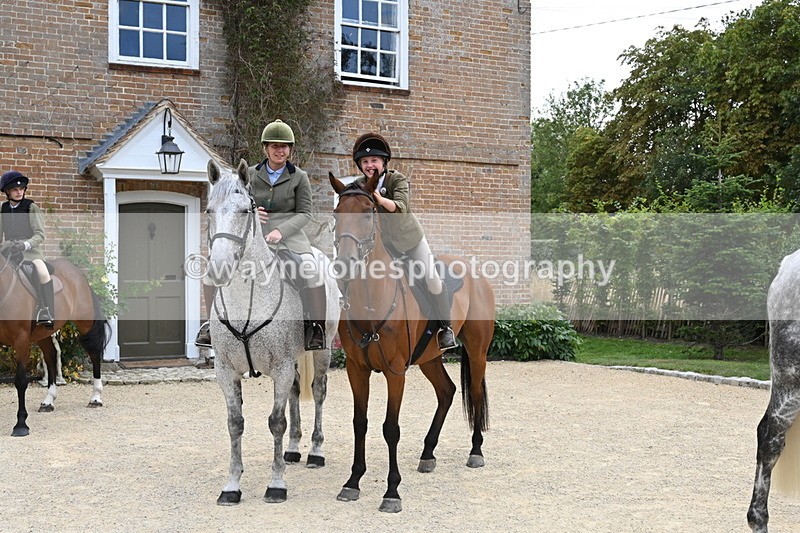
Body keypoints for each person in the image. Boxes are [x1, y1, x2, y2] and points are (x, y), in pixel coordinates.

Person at [195, 119, 327, 351]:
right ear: (265, 148)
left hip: (291, 238)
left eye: (284, 146)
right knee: (211, 272)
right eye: (274, 146)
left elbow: (305, 213)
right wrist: (255, 215)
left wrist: (280, 231)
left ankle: (315, 327)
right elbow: (237, 204)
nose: (279, 150)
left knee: (311, 269)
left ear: (290, 149)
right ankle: (210, 324)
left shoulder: (299, 177)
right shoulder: (249, 174)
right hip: (253, 237)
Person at [351, 133, 456, 350]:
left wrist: (379, 199)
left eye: (374, 160)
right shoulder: (358, 185)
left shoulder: (396, 179)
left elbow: (401, 207)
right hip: (383, 246)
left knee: (432, 278)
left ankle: (446, 328)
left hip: (410, 241)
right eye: (365, 161)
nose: (369, 165)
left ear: (384, 162)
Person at [0, 170, 55, 328]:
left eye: (21, 189)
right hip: (8, 250)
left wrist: (24, 245)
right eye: (15, 190)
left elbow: (40, 235)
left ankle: (46, 311)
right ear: (8, 192)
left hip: (30, 252)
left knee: (42, 273)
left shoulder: (31, 207)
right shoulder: (3, 208)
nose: (19, 192)